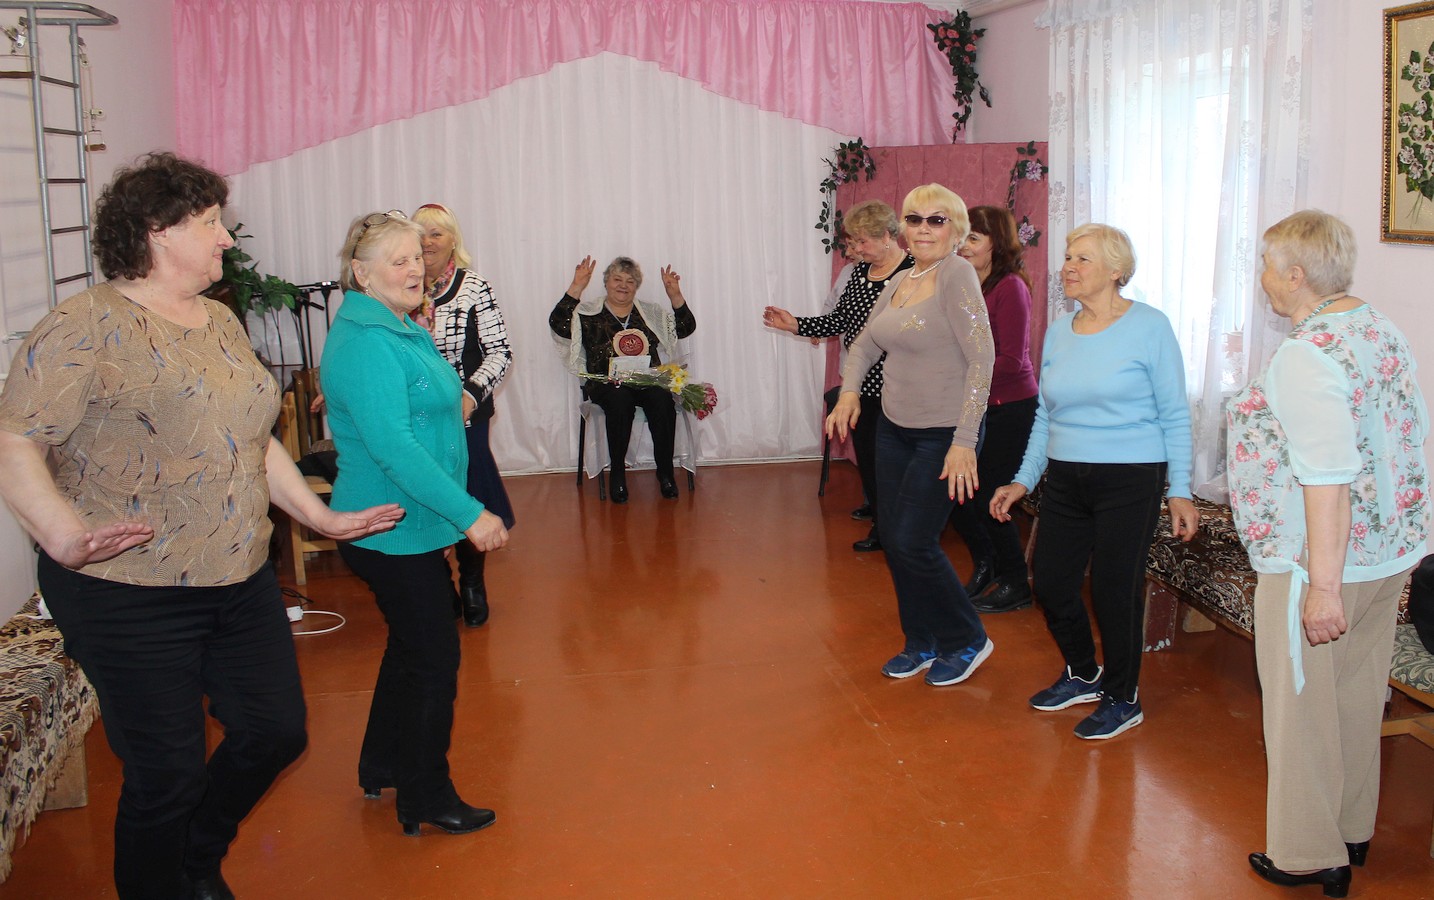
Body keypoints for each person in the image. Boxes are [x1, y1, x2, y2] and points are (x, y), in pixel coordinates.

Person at [0, 153, 402, 900]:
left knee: (275, 731)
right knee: (166, 775)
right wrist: (61, 536)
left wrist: (319, 515)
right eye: (211, 222)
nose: (225, 238)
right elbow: (15, 438)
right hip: (127, 589)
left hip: (237, 576)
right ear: (159, 231)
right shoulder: (83, 326)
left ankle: (194, 856)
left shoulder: (217, 319)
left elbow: (250, 436)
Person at [1227, 210, 1429, 897]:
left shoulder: (1307, 354)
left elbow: (1326, 477)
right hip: (1388, 551)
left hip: (1317, 560)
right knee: (1355, 694)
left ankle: (1309, 852)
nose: (1261, 278)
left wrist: (1322, 586)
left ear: (1295, 275)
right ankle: (1352, 827)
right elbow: (1403, 436)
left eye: (1265, 265)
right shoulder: (1377, 327)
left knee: (1300, 707)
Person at [321, 210, 510, 838]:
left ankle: (382, 762)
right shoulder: (368, 341)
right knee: (433, 657)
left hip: (412, 523)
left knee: (411, 646)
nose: (415, 268)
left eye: (417, 257)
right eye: (397, 260)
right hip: (388, 528)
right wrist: (471, 513)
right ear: (361, 272)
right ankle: (424, 794)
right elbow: (395, 451)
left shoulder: (397, 325)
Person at [990, 223, 1198, 740]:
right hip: (1065, 474)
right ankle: (1083, 672)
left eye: (1082, 258)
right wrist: (1023, 480)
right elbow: (1046, 414)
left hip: (1132, 475)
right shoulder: (1060, 331)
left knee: (1113, 588)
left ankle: (1123, 697)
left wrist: (1180, 489)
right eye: (1068, 257)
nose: (1068, 267)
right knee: (1051, 581)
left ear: (1116, 270)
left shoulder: (1150, 327)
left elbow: (1175, 413)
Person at [827, 183, 996, 687]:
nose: (924, 228)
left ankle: (966, 638)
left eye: (936, 220)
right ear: (903, 226)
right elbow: (864, 344)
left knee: (912, 540)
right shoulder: (903, 279)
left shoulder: (956, 275)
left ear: (955, 229)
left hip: (943, 433)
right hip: (895, 428)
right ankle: (921, 641)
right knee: (896, 541)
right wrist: (849, 394)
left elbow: (982, 359)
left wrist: (964, 441)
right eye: (915, 219)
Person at [764, 199, 914, 552]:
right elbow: (840, 320)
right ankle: (883, 528)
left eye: (863, 241)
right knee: (872, 462)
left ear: (888, 236)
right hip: (860, 385)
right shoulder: (860, 273)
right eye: (854, 241)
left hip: (903, 384)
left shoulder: (914, 272)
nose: (856, 249)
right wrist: (796, 324)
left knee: (900, 464)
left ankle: (908, 532)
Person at [411, 203, 515, 627]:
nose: (427, 242)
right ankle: (440, 585)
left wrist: (470, 395)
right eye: (420, 233)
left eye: (436, 233)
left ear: (453, 240)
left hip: (465, 414)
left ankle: (472, 582)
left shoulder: (474, 287)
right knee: (423, 496)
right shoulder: (400, 285)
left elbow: (500, 351)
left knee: (469, 493)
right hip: (414, 415)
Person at [947, 206, 1039, 609]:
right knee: (957, 492)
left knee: (988, 494)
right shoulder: (968, 285)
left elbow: (1013, 361)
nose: (964, 246)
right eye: (963, 237)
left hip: (1009, 407)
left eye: (974, 237)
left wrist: (963, 379)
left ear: (996, 243)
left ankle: (1016, 582)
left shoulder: (1011, 287)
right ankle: (988, 564)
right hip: (976, 404)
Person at [549, 256, 696, 502]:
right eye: (617, 279)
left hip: (646, 380)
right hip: (606, 384)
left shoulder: (649, 313)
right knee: (620, 401)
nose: (623, 285)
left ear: (636, 286)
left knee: (662, 399)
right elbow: (559, 325)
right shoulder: (589, 314)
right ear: (606, 282)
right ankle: (617, 474)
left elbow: (685, 328)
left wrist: (675, 296)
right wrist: (576, 286)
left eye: (630, 281)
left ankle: (665, 474)